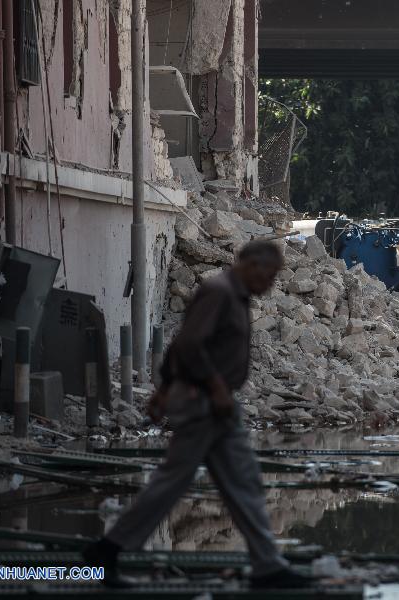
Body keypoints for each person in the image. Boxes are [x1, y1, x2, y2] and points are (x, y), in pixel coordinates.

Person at [84, 241, 312, 589]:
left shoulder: (233, 295)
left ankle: (267, 564)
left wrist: (164, 390)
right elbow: (189, 344)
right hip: (204, 404)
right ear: (250, 264)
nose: (271, 283)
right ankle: (109, 549)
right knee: (179, 483)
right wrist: (213, 386)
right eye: (269, 274)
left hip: (216, 405)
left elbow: (179, 344)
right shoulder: (219, 292)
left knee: (241, 483)